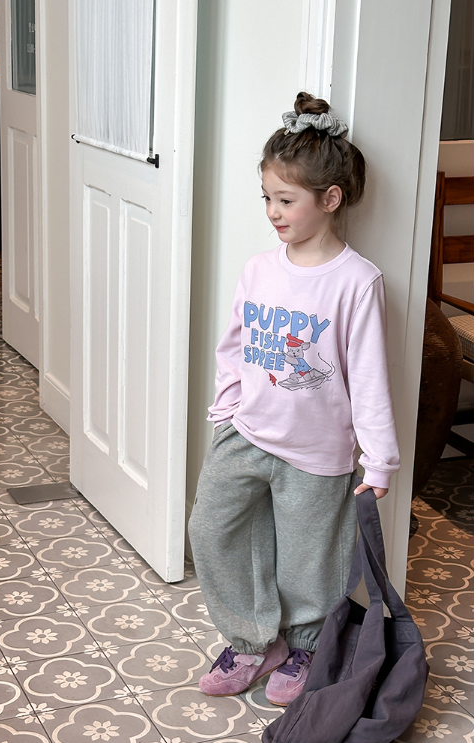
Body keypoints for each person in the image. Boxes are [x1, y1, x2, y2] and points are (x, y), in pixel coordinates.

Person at [188, 92, 400, 706]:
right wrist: (227, 407)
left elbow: (369, 378)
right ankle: (253, 641)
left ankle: (306, 645)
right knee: (213, 530)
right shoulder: (259, 268)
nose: (272, 213)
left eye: (286, 200)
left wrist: (379, 460)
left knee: (311, 560)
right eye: (267, 198)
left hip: (317, 452)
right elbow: (234, 345)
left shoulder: (357, 281)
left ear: (329, 199)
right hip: (247, 432)